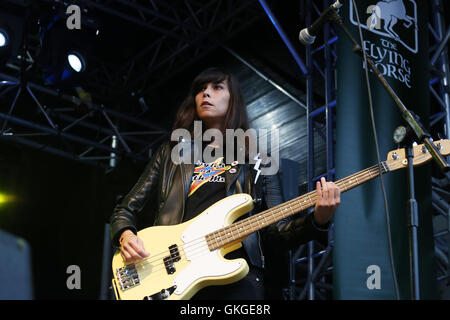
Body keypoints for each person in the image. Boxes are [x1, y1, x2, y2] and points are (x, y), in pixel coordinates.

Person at [110, 67, 340, 300]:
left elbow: (277, 233)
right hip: (174, 275)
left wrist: (318, 220)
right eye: (200, 89)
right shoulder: (172, 153)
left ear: (234, 100)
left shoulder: (258, 162)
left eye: (216, 87)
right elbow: (125, 208)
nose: (205, 94)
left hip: (237, 279)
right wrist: (126, 235)